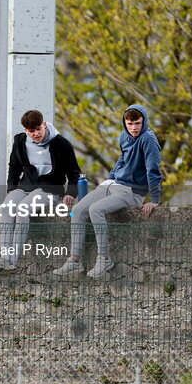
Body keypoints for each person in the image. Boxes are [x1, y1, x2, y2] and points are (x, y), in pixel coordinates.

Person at [53, 103, 163, 278]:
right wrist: (111, 176)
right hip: (112, 183)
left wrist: (155, 199)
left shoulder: (148, 139)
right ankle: (75, 260)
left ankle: (104, 259)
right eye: (130, 124)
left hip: (132, 192)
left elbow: (154, 170)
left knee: (96, 209)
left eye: (138, 123)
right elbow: (122, 159)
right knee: (77, 210)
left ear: (144, 121)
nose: (134, 128)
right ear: (124, 123)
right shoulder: (123, 136)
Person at [0, 109, 80, 272]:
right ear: (26, 131)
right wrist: (11, 189)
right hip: (25, 187)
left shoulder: (62, 144)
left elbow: (74, 172)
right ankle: (4, 258)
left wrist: (71, 193)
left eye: (38, 128)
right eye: (31, 131)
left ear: (44, 124)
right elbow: (14, 167)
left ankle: (12, 261)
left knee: (22, 209)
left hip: (50, 190)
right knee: (6, 208)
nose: (36, 133)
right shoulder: (19, 141)